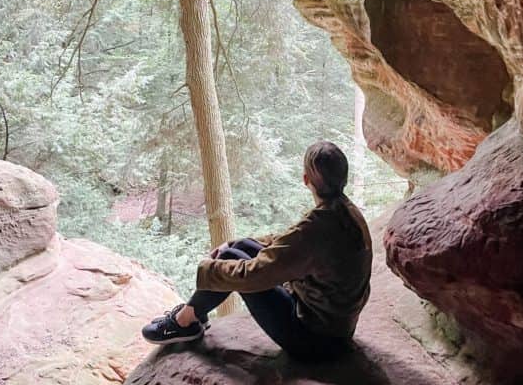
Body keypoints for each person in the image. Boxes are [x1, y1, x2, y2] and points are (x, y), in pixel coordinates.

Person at [141, 140, 373, 361]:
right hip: (335, 327)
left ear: (305, 179)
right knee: (240, 249)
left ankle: (184, 322)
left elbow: (256, 274)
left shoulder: (317, 227)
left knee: (234, 261)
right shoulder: (345, 212)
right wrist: (233, 244)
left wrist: (209, 269)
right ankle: (194, 314)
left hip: (316, 341)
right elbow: (289, 243)